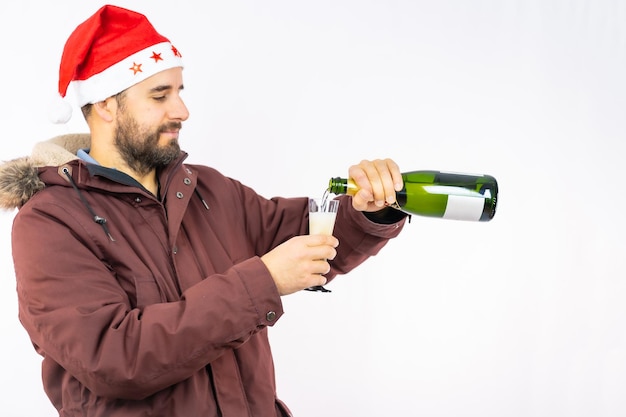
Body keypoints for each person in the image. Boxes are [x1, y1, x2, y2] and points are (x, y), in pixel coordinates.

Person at [0, 5, 407, 417]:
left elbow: (304, 236)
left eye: (180, 91)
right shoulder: (50, 221)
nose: (182, 111)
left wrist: (365, 212)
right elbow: (113, 358)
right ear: (105, 105)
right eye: (160, 95)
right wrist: (262, 281)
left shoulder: (205, 188)